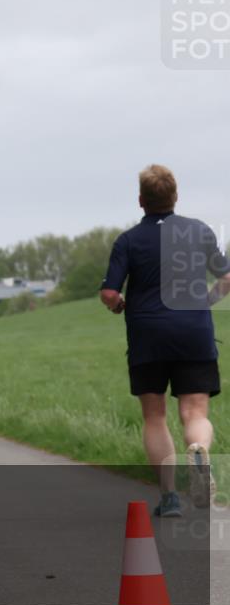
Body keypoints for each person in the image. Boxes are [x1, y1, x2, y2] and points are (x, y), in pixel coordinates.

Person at [100, 164, 230, 517]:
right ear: (175, 197)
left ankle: (170, 497)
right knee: (195, 411)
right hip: (194, 332)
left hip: (148, 335)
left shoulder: (128, 240)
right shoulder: (199, 231)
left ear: (141, 200)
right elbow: (227, 277)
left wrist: (119, 305)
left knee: (154, 416)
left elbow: (110, 292)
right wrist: (206, 301)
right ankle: (200, 451)